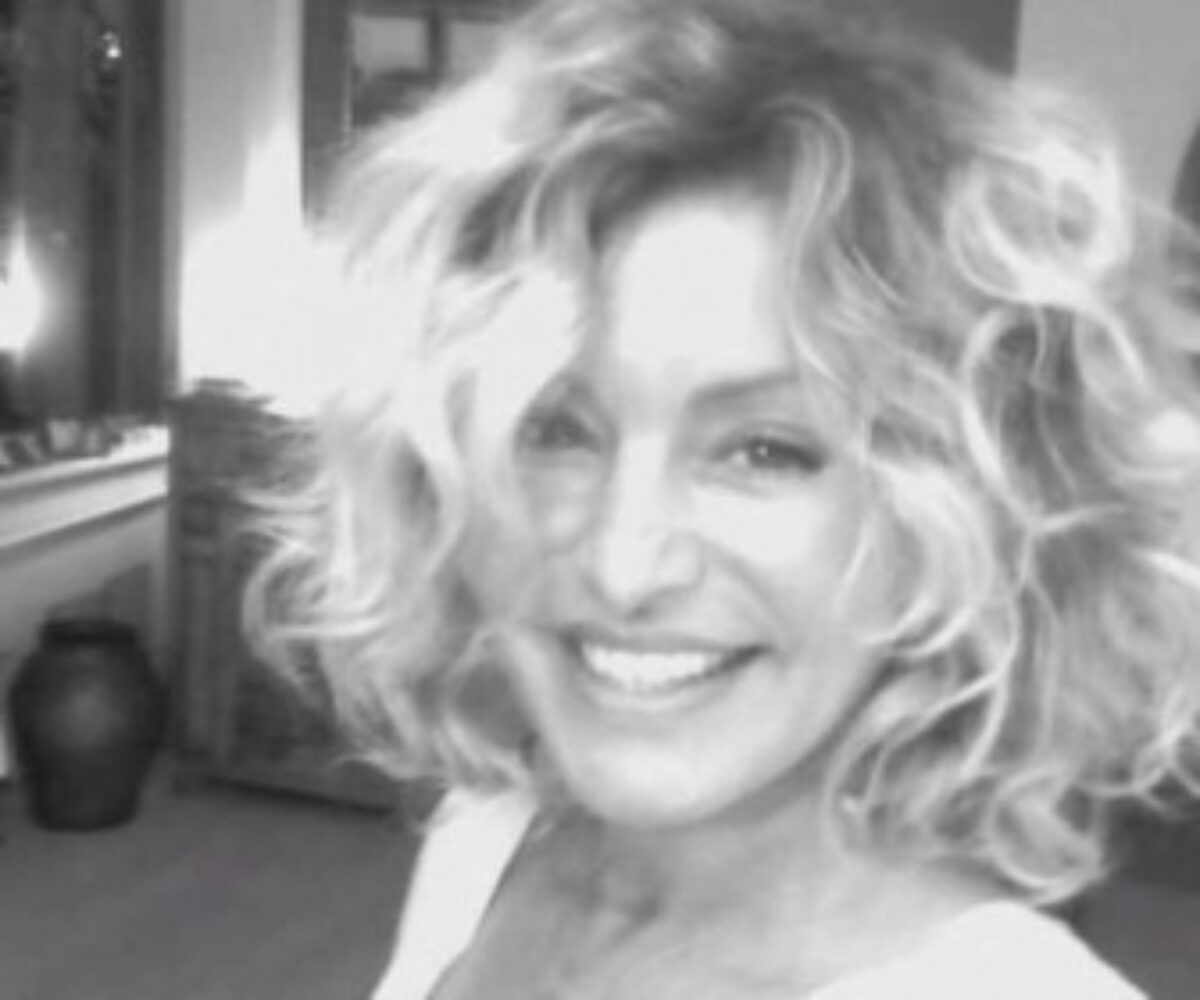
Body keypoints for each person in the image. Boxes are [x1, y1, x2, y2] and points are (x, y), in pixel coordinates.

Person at [246, 0, 1200, 996]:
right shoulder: (482, 844)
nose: (624, 565)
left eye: (763, 450)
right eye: (554, 430)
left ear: (962, 517)